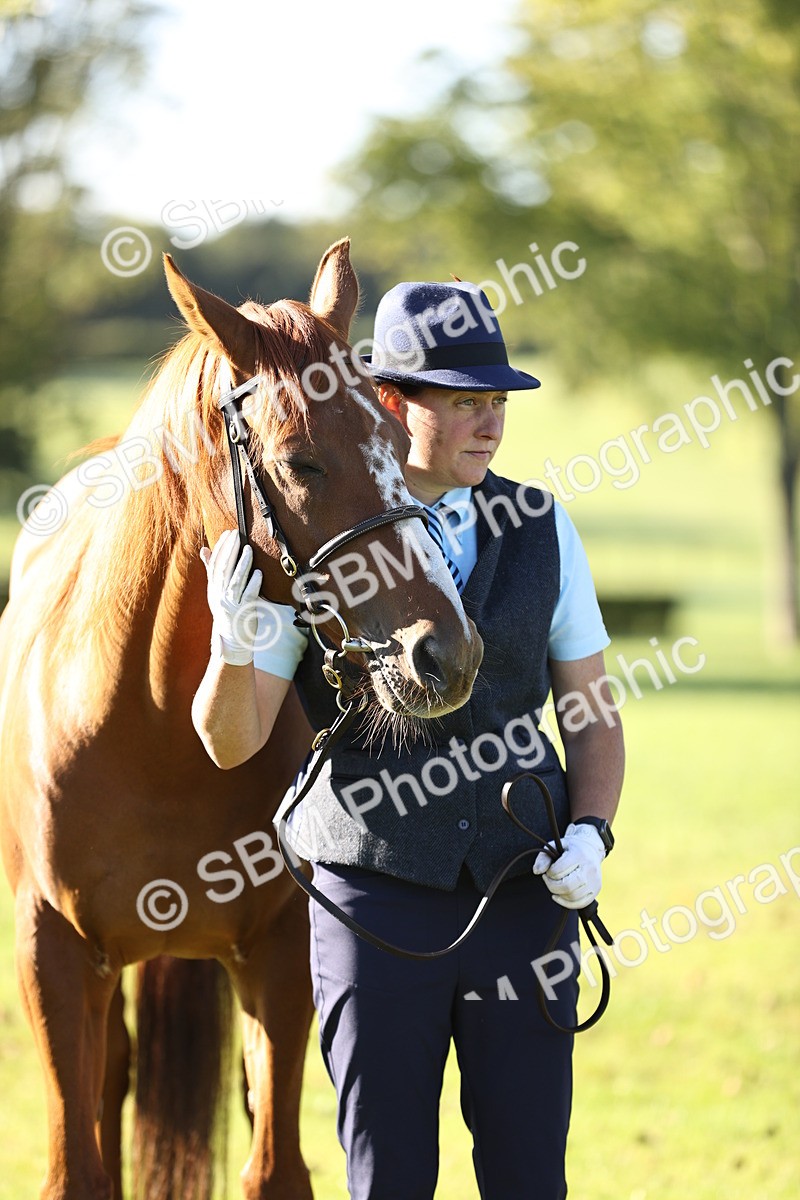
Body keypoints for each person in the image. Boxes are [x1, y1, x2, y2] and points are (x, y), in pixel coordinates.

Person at [192, 280, 625, 1200]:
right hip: (374, 905)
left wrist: (593, 833)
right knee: (387, 1178)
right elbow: (231, 742)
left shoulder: (545, 527)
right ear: (391, 403)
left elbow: (591, 709)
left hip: (525, 890)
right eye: (465, 400)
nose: (491, 424)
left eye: (497, 401)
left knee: (528, 1174)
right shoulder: (313, 535)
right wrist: (233, 645)